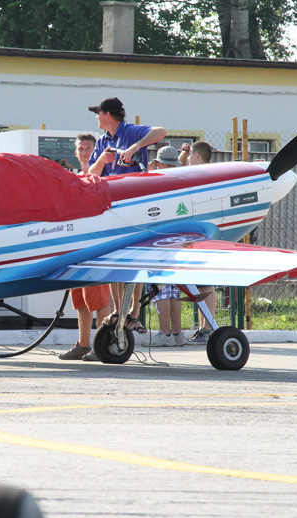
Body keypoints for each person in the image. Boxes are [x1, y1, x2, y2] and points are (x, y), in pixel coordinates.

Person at [86, 98, 165, 335]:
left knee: (136, 257)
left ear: (107, 115)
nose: (96, 117)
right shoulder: (102, 141)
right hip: (111, 206)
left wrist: (134, 148)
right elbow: (90, 173)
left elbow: (160, 131)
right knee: (114, 259)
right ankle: (119, 310)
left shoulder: (131, 132)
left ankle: (134, 312)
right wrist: (102, 160)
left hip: (136, 204)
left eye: (98, 113)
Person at [60, 133, 113, 361]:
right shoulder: (72, 178)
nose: (84, 152)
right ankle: (83, 344)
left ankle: (102, 346)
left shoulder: (100, 176)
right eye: (81, 149)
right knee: (80, 298)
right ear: (75, 152)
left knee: (99, 298)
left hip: (95, 245)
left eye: (88, 149)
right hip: (76, 245)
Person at [142, 145, 186, 347]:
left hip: (159, 239)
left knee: (160, 289)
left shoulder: (157, 181)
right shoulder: (179, 181)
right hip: (176, 239)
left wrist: (148, 173)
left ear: (158, 163)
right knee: (173, 290)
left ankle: (165, 333)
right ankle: (177, 334)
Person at [178, 141, 217, 343]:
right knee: (201, 285)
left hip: (204, 235)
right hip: (196, 235)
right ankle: (203, 328)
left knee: (206, 285)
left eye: (190, 154)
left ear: (197, 155)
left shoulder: (205, 176)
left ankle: (207, 328)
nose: (187, 158)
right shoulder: (197, 173)